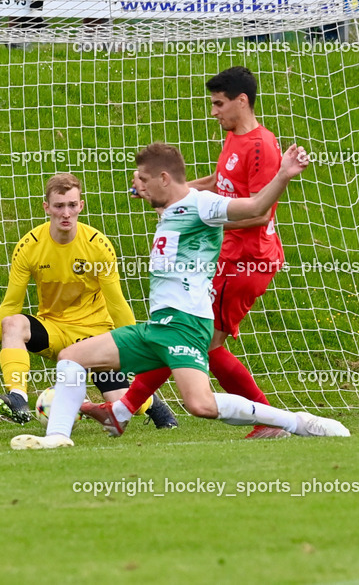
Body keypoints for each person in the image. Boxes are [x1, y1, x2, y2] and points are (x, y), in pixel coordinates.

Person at [10, 144, 350, 450]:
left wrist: (284, 174)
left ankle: (297, 422)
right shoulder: (170, 205)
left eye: (143, 179)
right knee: (71, 356)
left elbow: (257, 205)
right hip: (159, 325)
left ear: (162, 178)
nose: (137, 185)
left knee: (199, 405)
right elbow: (178, 190)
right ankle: (57, 437)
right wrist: (146, 188)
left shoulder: (204, 206)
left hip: (187, 324)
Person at [104, 67, 295, 440]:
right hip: (226, 258)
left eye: (219, 104)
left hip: (247, 260)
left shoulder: (260, 147)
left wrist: (192, 220)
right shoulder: (234, 139)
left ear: (242, 101)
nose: (213, 111)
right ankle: (121, 410)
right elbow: (214, 183)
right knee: (184, 339)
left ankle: (269, 420)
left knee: (200, 343)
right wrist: (169, 193)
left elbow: (260, 212)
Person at [0, 173, 177, 428]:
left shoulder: (98, 245)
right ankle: (18, 398)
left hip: (96, 335)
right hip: (55, 330)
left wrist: (137, 346)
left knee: (121, 402)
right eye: (59, 206)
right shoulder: (29, 246)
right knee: (12, 323)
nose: (66, 213)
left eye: (72, 205)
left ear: (81, 205)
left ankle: (155, 407)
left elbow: (116, 304)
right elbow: (11, 303)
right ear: (46, 207)